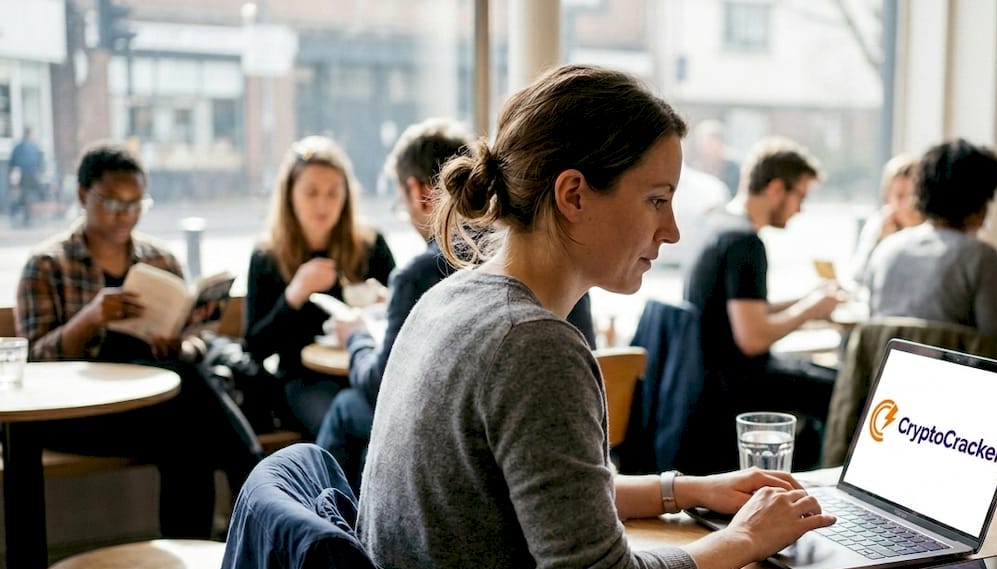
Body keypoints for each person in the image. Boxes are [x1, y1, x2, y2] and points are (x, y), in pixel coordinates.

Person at [356, 64, 837, 569]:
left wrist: (686, 490)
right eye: (657, 200)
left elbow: (546, 499)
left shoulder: (450, 298)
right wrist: (745, 538)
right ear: (574, 194)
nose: (672, 231)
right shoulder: (532, 345)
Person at [314, 118, 597, 484]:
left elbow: (384, 389)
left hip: (464, 438)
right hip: (560, 422)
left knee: (346, 407)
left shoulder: (420, 274)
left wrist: (356, 337)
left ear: (417, 190)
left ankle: (333, 514)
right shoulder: (549, 262)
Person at [14, 140, 261, 538]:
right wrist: (89, 319)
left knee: (187, 431)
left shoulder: (159, 260)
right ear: (82, 195)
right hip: (78, 414)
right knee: (189, 414)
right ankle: (250, 478)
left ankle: (191, 565)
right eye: (113, 203)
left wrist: (178, 344)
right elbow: (33, 367)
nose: (125, 215)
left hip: (150, 404)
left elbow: (196, 343)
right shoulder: (46, 265)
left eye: (136, 204)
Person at [684, 136, 844, 472]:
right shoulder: (746, 243)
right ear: (775, 189)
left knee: (829, 376)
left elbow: (743, 310)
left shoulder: (717, 223)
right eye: (800, 196)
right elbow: (752, 338)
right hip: (734, 384)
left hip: (704, 377)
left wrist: (809, 300)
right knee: (843, 390)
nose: (800, 208)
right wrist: (810, 310)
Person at [244, 135, 396, 438]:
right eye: (311, 192)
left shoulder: (369, 244)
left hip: (368, 370)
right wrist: (294, 295)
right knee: (353, 425)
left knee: (386, 425)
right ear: (290, 195)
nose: (323, 204)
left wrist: (385, 303)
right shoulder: (268, 256)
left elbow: (402, 320)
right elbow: (255, 347)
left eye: (333, 193)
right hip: (305, 378)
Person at [864, 138, 997, 361]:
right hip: (953, 382)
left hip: (886, 381)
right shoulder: (982, 258)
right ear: (979, 201)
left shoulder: (885, 250)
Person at [846, 152, 922, 288]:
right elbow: (858, 277)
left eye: (913, 195)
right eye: (900, 196)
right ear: (887, 198)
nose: (908, 204)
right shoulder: (878, 225)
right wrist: (879, 241)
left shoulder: (935, 229)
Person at [689, 118, 740, 194]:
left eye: (716, 140)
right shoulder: (695, 169)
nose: (713, 146)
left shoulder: (733, 169)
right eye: (709, 141)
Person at [9, 127, 45, 227]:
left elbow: (38, 161)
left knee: (28, 197)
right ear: (28, 134)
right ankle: (21, 216)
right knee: (23, 197)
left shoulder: (32, 147)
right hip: (24, 175)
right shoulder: (21, 147)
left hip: (31, 175)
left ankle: (27, 217)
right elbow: (14, 162)